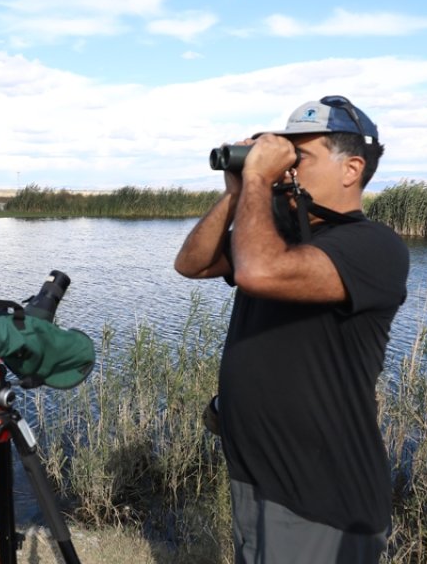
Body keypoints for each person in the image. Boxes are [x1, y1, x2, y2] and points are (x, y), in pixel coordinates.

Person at [174, 96, 409, 564]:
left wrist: (259, 177)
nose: (286, 165)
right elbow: (192, 264)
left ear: (351, 168)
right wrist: (236, 192)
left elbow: (259, 272)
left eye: (299, 155)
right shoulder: (277, 236)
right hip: (257, 475)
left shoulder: (373, 246)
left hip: (321, 495)